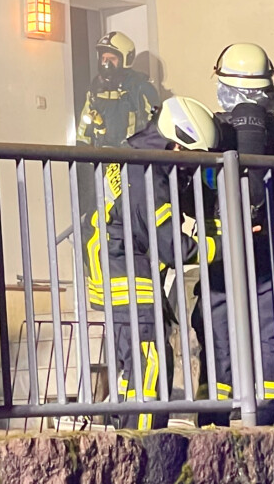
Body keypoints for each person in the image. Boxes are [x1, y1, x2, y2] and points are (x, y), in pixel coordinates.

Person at [190, 43, 274, 425]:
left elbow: (192, 191)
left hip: (221, 250)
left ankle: (214, 416)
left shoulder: (210, 131)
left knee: (219, 331)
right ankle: (271, 415)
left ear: (224, 84)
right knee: (271, 331)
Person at [85, 95, 211, 429]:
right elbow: (171, 246)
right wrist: (222, 246)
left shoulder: (137, 154)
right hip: (128, 275)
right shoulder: (146, 175)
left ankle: (135, 435)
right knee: (149, 367)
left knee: (142, 366)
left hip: (120, 270)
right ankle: (141, 443)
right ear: (178, 146)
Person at [75, 31, 161, 235]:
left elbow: (157, 125)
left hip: (130, 162)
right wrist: (81, 155)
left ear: (125, 59)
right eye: (103, 58)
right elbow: (84, 130)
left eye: (112, 58)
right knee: (100, 216)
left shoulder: (141, 88)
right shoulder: (95, 89)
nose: (106, 63)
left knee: (130, 214)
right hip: (102, 163)